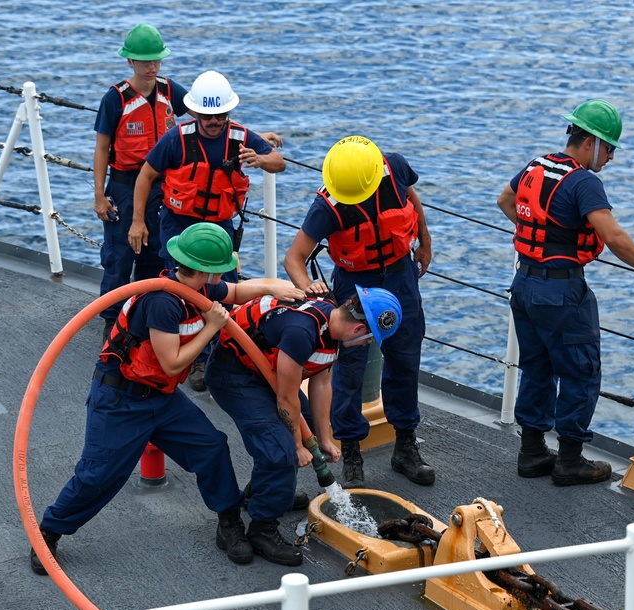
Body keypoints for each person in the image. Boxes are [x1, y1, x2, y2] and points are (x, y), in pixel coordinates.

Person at [31, 223, 306, 575]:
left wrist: (270, 286)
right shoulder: (162, 302)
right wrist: (211, 326)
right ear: (206, 270)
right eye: (222, 265)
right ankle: (49, 532)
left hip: (162, 398)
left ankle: (229, 519)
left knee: (211, 448)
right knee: (97, 476)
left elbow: (235, 292)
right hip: (121, 401)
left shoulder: (200, 287)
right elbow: (173, 361)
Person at [496, 99, 634, 486]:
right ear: (590, 143)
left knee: (537, 367)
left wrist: (541, 239)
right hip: (561, 290)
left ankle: (531, 453)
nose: (611, 156)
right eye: (609, 147)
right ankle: (570, 460)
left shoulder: (536, 165)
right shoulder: (583, 181)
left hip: (524, 285)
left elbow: (505, 201)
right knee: (581, 372)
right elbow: (613, 237)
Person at [205, 287, 402, 566]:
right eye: (369, 340)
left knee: (295, 433)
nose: (366, 345)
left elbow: (321, 381)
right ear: (359, 328)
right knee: (281, 450)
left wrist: (323, 438)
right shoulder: (302, 330)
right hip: (237, 376)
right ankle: (263, 528)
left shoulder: (332, 324)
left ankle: (260, 492)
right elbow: (286, 398)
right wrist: (297, 446)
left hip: (269, 374)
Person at [284, 136, 433, 489]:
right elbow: (294, 258)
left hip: (401, 275)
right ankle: (351, 451)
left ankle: (405, 445)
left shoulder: (393, 165)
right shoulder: (328, 204)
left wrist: (424, 240)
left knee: (406, 357)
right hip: (357, 284)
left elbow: (410, 195)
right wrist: (308, 286)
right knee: (350, 368)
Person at [130, 70, 286, 391]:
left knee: (222, 292)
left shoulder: (241, 138)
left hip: (219, 227)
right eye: (208, 115)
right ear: (197, 113)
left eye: (220, 115)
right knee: (184, 292)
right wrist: (137, 221)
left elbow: (278, 162)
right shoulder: (177, 138)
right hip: (180, 226)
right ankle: (192, 357)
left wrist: (260, 158)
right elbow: (146, 176)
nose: (214, 121)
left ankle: (219, 356)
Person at [93, 24, 189, 338]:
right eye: (144, 61)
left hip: (161, 185)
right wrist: (99, 195)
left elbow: (205, 115)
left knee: (155, 252)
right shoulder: (115, 99)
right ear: (130, 62)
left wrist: (250, 138)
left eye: (156, 60)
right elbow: (102, 147)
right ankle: (111, 319)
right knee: (119, 255)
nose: (151, 67)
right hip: (124, 185)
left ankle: (146, 315)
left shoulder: (170, 90)